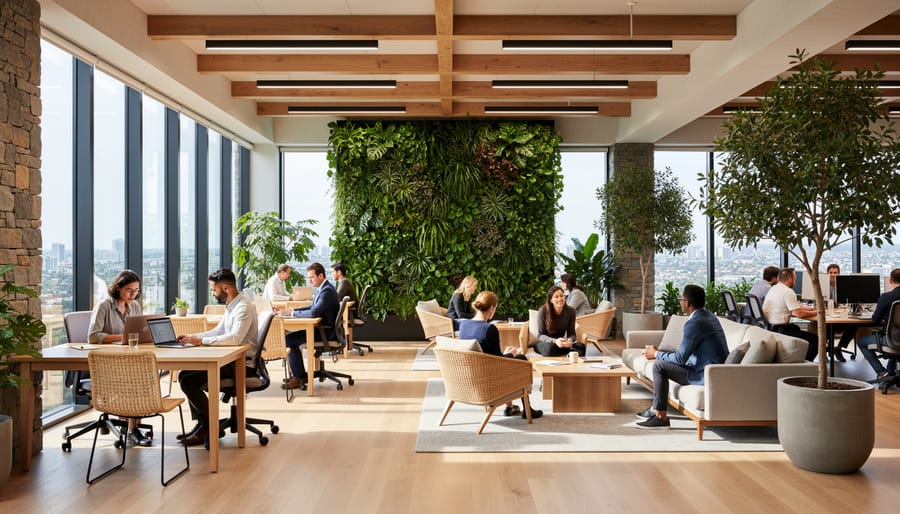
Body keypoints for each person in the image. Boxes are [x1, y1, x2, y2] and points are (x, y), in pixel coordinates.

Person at [176, 268, 259, 447]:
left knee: (189, 381)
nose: (213, 293)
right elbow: (218, 331)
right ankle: (204, 424)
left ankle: (210, 426)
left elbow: (235, 338)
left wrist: (201, 341)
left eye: (214, 290)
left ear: (226, 288)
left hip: (241, 363)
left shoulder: (243, 307)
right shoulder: (232, 306)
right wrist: (193, 337)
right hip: (229, 359)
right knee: (184, 374)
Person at [635, 284, 728, 429]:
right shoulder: (709, 316)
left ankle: (660, 416)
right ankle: (655, 409)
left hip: (703, 374)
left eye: (681, 299)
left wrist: (656, 354)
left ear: (687, 303)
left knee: (659, 366)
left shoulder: (695, 323)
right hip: (705, 367)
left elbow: (680, 359)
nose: (680, 302)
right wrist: (659, 353)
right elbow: (684, 354)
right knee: (662, 360)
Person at [87, 269, 151, 446]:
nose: (133, 294)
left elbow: (137, 333)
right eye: (130, 290)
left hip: (128, 360)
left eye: (136, 291)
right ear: (118, 288)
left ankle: (132, 426)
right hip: (105, 363)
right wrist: (122, 335)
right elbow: (93, 337)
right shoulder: (104, 306)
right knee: (135, 380)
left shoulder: (135, 306)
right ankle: (132, 430)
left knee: (144, 376)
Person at [458, 291, 543, 420]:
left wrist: (506, 354)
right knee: (521, 360)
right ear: (492, 308)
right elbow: (498, 361)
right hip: (490, 380)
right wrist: (511, 353)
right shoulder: (489, 329)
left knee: (513, 359)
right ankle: (527, 409)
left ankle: (510, 407)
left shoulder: (464, 325)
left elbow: (489, 355)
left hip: (471, 377)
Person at [277, 263, 339, 390]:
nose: (309, 280)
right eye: (308, 278)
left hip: (325, 333)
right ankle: (299, 375)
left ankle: (298, 377)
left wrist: (293, 313)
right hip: (323, 330)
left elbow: (313, 313)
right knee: (290, 337)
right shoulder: (324, 288)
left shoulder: (326, 291)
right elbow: (312, 308)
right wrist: (292, 311)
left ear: (321, 275)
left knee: (289, 340)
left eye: (312, 277)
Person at [762, 267, 819, 361]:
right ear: (790, 279)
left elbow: (793, 306)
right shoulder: (788, 292)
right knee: (815, 340)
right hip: (781, 329)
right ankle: (803, 366)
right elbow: (798, 314)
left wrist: (808, 308)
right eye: (795, 278)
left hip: (771, 327)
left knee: (797, 329)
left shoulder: (775, 288)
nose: (796, 281)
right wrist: (817, 312)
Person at [858, 268, 900, 383]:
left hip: (890, 339)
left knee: (862, 342)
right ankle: (891, 372)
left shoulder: (886, 297)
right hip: (896, 339)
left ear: (891, 281)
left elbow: (875, 320)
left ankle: (882, 372)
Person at [534, 285, 585, 357]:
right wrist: (555, 341)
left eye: (562, 296)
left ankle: (570, 364)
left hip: (561, 343)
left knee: (581, 347)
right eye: (556, 297)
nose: (560, 299)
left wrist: (570, 340)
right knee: (551, 348)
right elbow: (540, 335)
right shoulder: (543, 310)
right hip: (545, 343)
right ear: (551, 300)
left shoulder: (571, 311)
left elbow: (572, 333)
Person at [828, 263, 856, 362]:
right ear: (827, 274)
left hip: (840, 316)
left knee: (853, 326)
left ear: (839, 274)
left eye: (835, 272)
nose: (833, 275)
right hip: (827, 316)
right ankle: (828, 349)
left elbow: (848, 302)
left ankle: (838, 348)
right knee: (827, 327)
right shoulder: (821, 285)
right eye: (830, 272)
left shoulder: (844, 286)